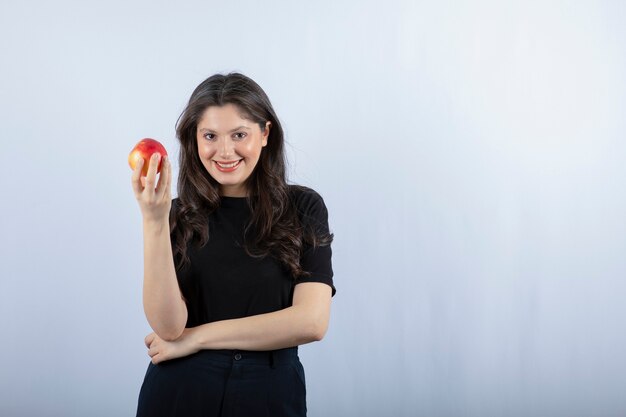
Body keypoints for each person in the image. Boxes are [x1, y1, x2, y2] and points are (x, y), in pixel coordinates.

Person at [130, 72, 335, 417]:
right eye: (210, 135)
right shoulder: (176, 213)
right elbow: (168, 328)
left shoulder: (303, 207)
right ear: (194, 139)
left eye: (239, 134)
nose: (224, 152)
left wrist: (196, 338)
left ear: (265, 134)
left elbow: (311, 323)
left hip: (268, 392)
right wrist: (153, 220)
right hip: (181, 389)